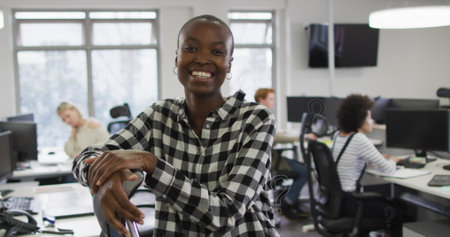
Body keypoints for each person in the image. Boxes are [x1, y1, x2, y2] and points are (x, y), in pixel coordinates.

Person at [72, 15, 279, 236]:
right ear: (177, 58)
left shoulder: (256, 119)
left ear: (229, 64)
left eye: (217, 52)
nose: (202, 59)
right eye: (191, 48)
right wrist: (106, 178)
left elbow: (225, 214)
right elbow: (85, 158)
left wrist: (150, 162)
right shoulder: (159, 116)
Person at [332, 94, 406, 236]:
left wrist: (374, 161)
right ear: (360, 120)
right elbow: (389, 169)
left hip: (337, 202)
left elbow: (348, 163)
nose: (372, 121)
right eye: (369, 117)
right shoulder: (359, 139)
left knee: (391, 205)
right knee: (399, 212)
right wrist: (393, 160)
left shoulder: (338, 136)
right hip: (351, 203)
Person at [254, 88, 308, 220]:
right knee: (306, 171)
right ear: (261, 100)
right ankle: (287, 202)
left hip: (271, 158)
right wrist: (300, 137)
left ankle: (290, 201)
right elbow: (273, 138)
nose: (273, 102)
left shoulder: (257, 114)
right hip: (270, 162)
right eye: (271, 99)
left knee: (303, 167)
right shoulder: (261, 115)